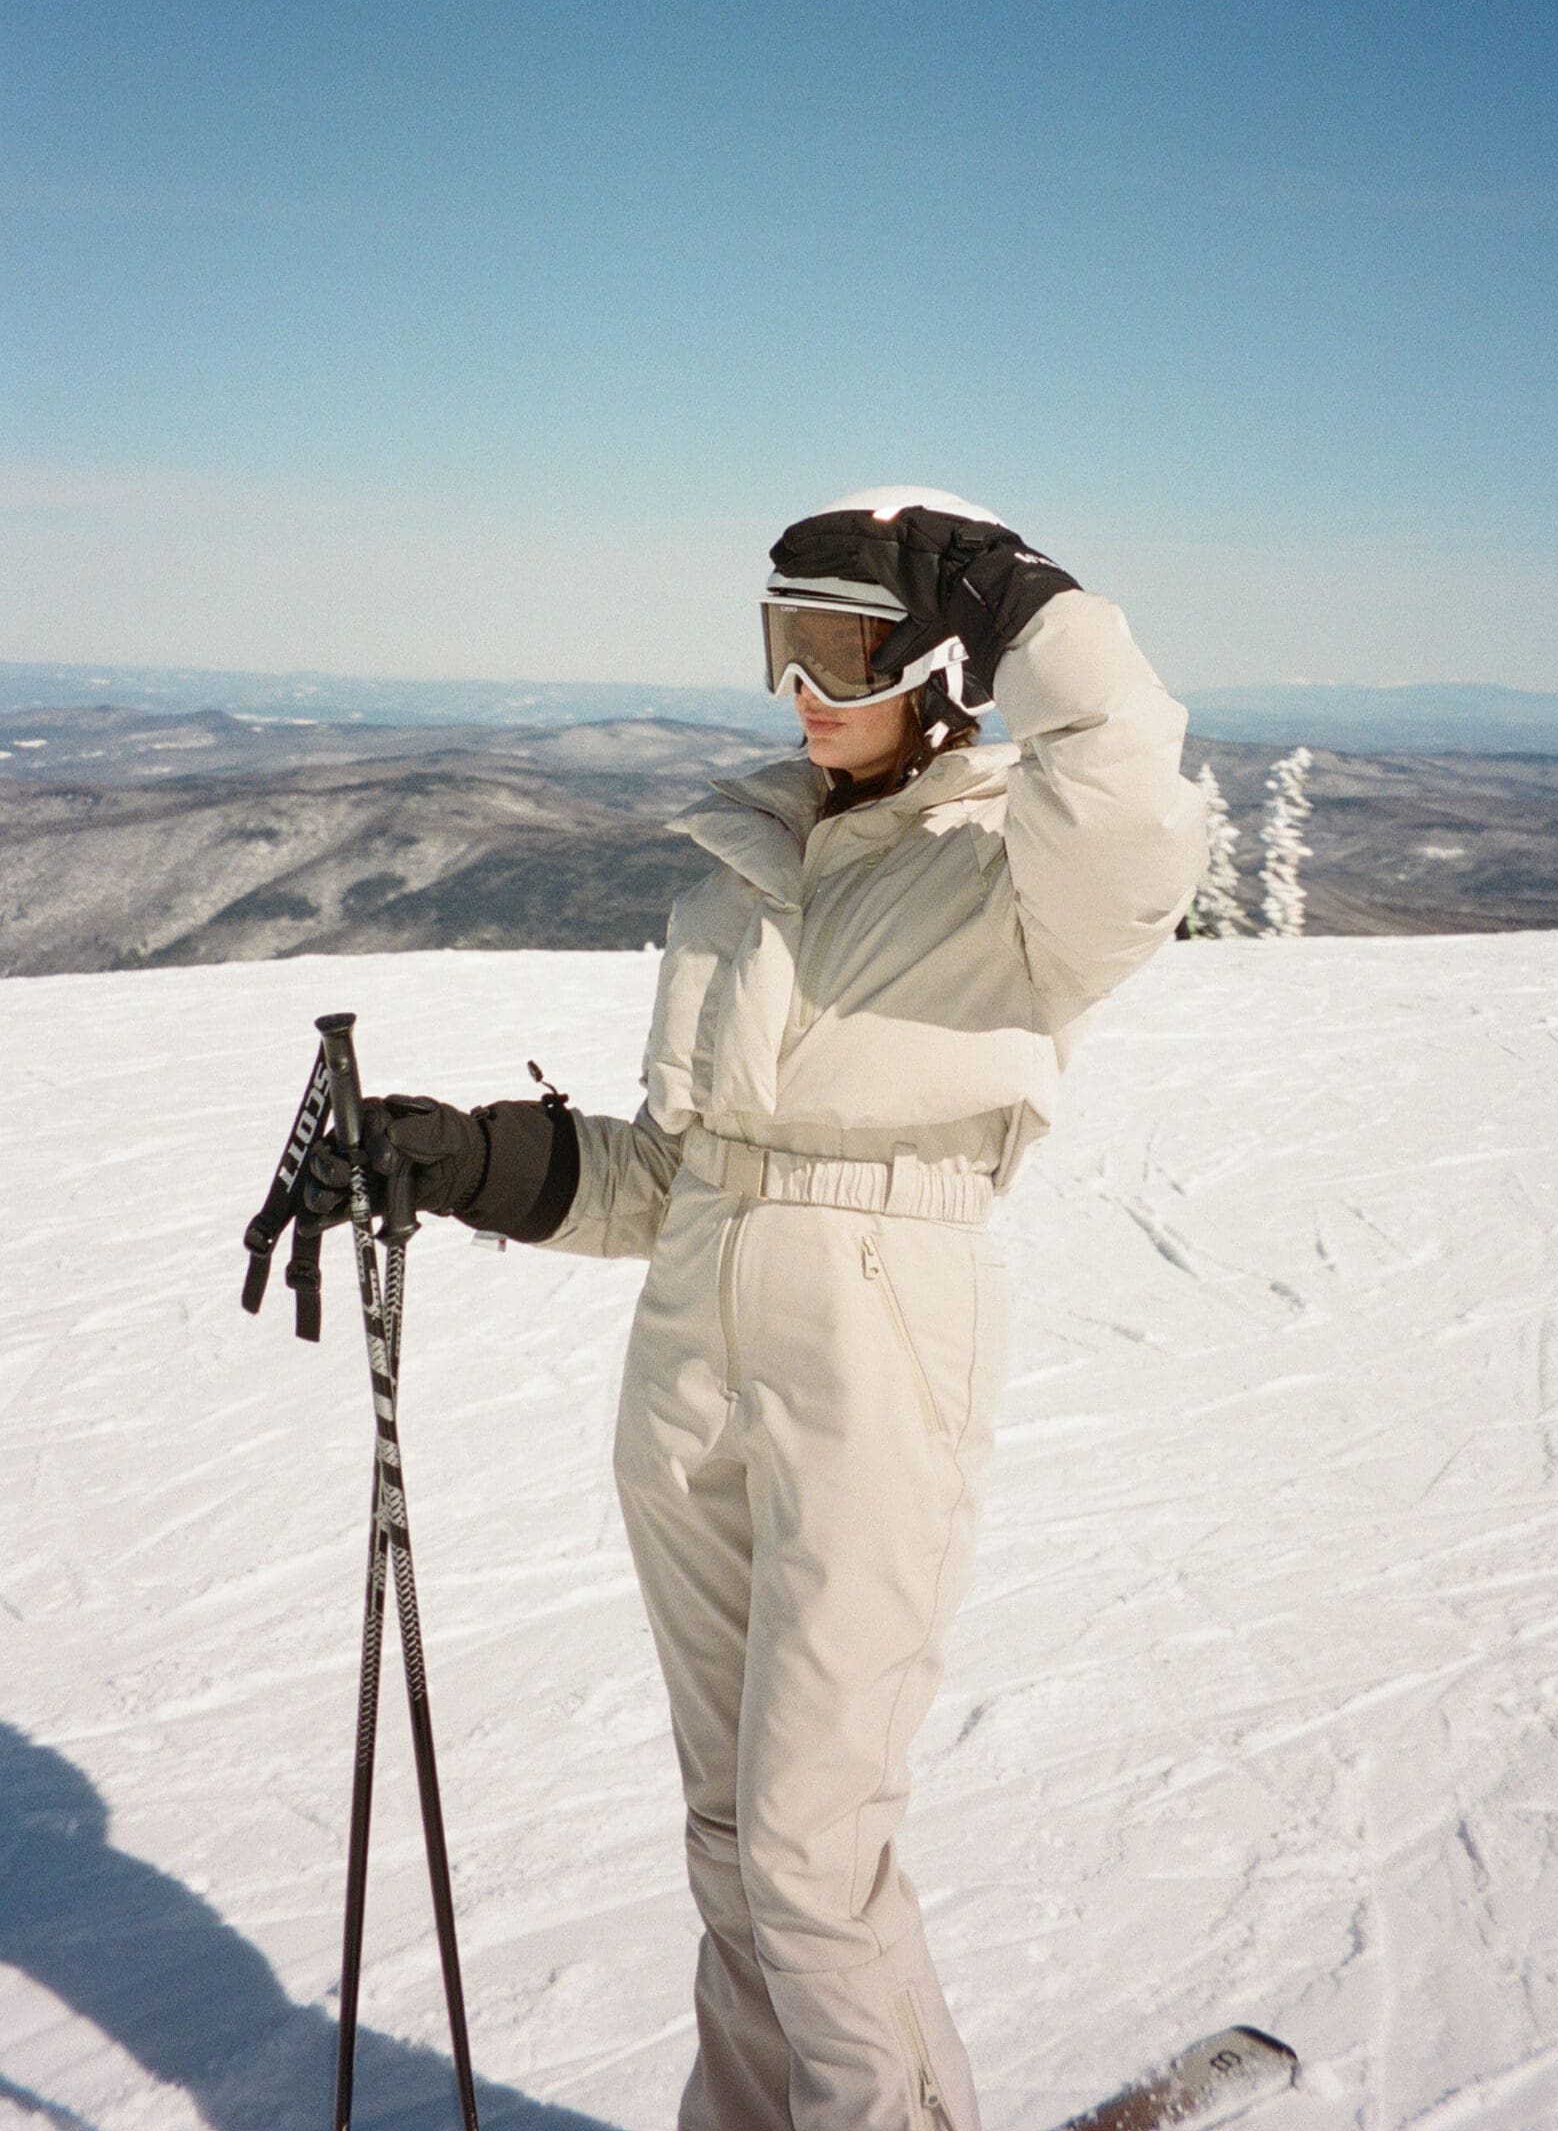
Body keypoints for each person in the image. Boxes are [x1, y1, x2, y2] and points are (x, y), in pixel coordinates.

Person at [305, 487, 1206, 2131]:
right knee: (728, 1833)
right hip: (688, 1356)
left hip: (881, 1334)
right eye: (781, 643)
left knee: (809, 1846)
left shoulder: (1019, 872)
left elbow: (1133, 789)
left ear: (938, 662)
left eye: (842, 650)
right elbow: (679, 1173)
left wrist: (1041, 614)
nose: (801, 689)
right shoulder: (739, 870)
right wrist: (471, 1158)